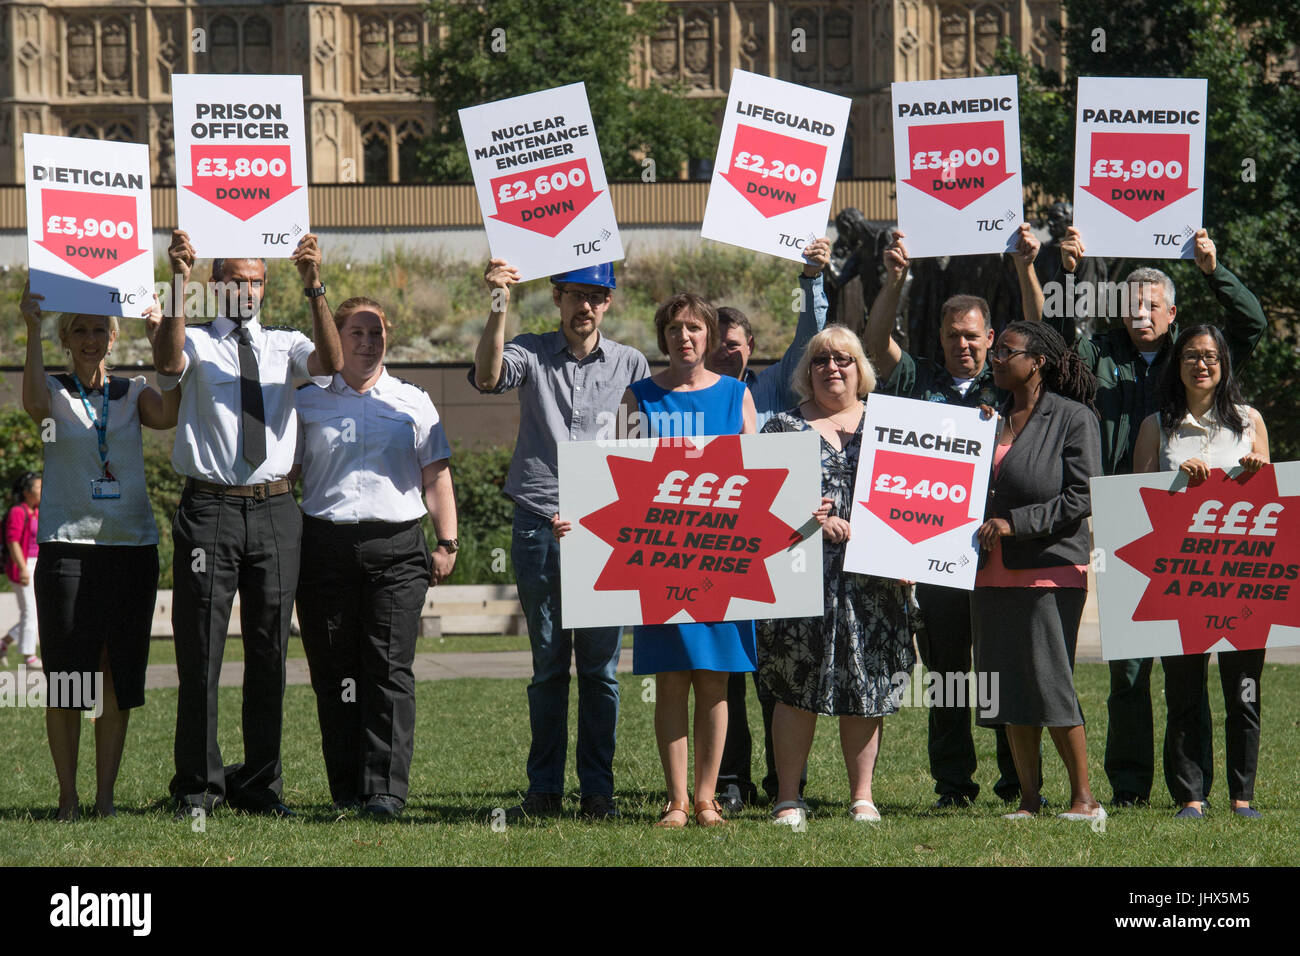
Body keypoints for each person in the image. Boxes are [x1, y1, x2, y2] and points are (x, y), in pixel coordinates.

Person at [1044, 227, 1267, 808]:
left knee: (1187, 666)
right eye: (1130, 304)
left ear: (1172, 312)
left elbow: (1250, 327)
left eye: (1151, 305)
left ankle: (1195, 787)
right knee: (1129, 667)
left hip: (1196, 537)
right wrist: (1067, 275)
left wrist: (1213, 268)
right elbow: (1059, 351)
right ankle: (1129, 784)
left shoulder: (1193, 355)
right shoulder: (1101, 357)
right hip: (1124, 524)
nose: (1139, 313)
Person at [154, 230, 343, 819]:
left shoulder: (284, 343)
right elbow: (164, 361)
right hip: (209, 509)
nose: (249, 289)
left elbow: (333, 364)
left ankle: (260, 785)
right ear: (217, 284)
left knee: (269, 652)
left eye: (258, 280)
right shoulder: (197, 343)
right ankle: (198, 789)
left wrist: (315, 285)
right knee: (201, 653)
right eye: (237, 279)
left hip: (276, 509)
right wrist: (179, 280)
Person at [865, 223, 1044, 808]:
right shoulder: (919, 380)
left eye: (972, 337)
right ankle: (952, 785)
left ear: (992, 337)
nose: (962, 346)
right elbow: (873, 344)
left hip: (996, 556)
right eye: (952, 336)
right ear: (938, 338)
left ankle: (1014, 779)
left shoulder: (1014, 386)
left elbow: (1044, 333)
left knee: (997, 674)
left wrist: (1025, 267)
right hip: (937, 559)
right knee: (947, 679)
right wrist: (894, 281)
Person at [567, 292, 756, 827]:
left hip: (722, 558)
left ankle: (707, 798)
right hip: (661, 560)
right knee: (672, 679)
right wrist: (577, 521)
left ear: (710, 337)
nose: (685, 337)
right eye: (675, 328)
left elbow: (762, 475)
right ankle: (675, 799)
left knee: (715, 679)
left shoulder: (737, 396)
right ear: (663, 337)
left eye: (695, 327)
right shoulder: (639, 397)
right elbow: (614, 477)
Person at [470, 260, 649, 821]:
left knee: (600, 672)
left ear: (610, 302)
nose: (585, 307)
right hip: (538, 523)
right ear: (556, 297)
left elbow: (640, 451)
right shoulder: (530, 350)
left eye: (597, 296)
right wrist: (500, 300)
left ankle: (598, 791)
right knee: (549, 666)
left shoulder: (631, 363)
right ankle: (543, 789)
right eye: (576, 295)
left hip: (606, 533)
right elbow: (487, 376)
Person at [20, 282, 178, 820]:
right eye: (79, 331)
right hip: (67, 549)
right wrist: (31, 328)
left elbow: (171, 411)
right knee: (68, 677)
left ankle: (105, 797)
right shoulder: (55, 391)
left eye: (99, 331)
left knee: (115, 672)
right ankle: (68, 797)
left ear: (113, 338)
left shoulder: (133, 393)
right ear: (67, 339)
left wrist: (163, 339)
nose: (90, 340)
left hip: (131, 549)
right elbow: (33, 402)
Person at [295, 296, 457, 819]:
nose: (368, 342)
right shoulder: (307, 402)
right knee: (335, 672)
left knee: (389, 670)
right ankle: (346, 789)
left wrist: (447, 542)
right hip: (323, 548)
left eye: (377, 333)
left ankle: (385, 790)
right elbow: (287, 475)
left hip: (397, 551)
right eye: (356, 333)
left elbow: (436, 476)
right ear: (334, 336)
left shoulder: (413, 401)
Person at [759, 326, 915, 826]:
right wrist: (814, 522)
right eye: (822, 360)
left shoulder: (893, 424)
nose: (833, 368)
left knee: (867, 683)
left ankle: (862, 797)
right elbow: (761, 514)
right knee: (794, 684)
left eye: (843, 359)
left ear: (860, 368)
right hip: (801, 575)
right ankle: (788, 796)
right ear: (807, 371)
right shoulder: (782, 427)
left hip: (876, 582)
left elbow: (926, 492)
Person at [707, 237, 829, 809]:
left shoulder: (777, 386)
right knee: (727, 670)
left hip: (780, 546)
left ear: (750, 347)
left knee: (777, 671)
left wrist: (811, 280)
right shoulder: (691, 399)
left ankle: (788, 784)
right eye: (716, 344)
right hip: (715, 549)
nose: (726, 353)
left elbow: (810, 338)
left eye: (734, 345)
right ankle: (729, 784)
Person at [1132, 324, 1270, 819]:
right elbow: (1137, 502)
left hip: (1241, 581)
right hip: (1179, 580)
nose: (1202, 364)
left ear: (1224, 363)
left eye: (1211, 356)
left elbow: (1268, 503)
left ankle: (1242, 796)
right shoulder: (1156, 426)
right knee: (1185, 692)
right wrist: (1176, 480)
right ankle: (1192, 794)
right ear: (1179, 364)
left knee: (1244, 692)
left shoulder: (1250, 422)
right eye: (1191, 355)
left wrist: (1256, 473)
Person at [972, 320, 1103, 822]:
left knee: (1049, 682)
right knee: (1006, 686)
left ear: (1038, 361)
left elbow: (1082, 494)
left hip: (1049, 570)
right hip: (990, 572)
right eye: (995, 350)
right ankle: (1029, 799)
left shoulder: (1073, 417)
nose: (995, 357)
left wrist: (1015, 523)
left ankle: (1085, 800)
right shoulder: (988, 417)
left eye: (1006, 350)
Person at [2, 471, 42, 669]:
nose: (41, 491)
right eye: (38, 487)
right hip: (23, 565)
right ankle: (29, 656)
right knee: (30, 611)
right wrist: (23, 568)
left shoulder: (37, 511)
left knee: (33, 612)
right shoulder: (18, 511)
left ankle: (4, 643)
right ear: (27, 491)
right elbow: (13, 542)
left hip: (37, 565)